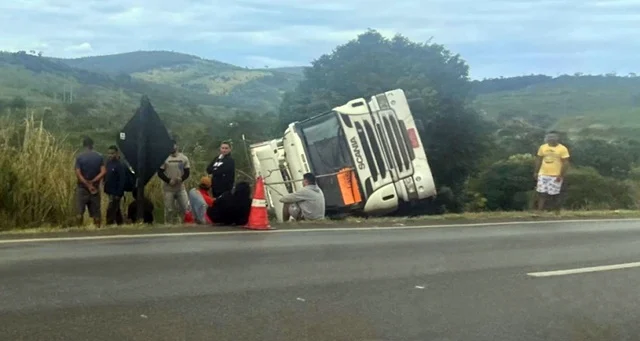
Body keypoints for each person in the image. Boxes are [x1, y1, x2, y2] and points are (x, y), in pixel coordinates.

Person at [534, 131, 570, 211]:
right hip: (543, 174)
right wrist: (536, 172)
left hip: (555, 175)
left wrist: (561, 175)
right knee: (541, 193)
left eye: (553, 137)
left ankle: (556, 211)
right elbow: (539, 159)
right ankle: (539, 211)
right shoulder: (542, 147)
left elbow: (566, 163)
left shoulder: (562, 149)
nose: (551, 139)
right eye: (549, 137)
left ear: (557, 138)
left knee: (554, 194)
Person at [74, 137, 106, 226]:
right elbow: (103, 171)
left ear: (83, 145)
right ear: (92, 145)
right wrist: (93, 182)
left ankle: (78, 230)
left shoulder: (79, 157)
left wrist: (87, 184)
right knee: (96, 212)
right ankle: (97, 230)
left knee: (79, 212)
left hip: (82, 187)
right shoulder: (99, 156)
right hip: (95, 187)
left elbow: (78, 173)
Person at [157, 140, 191, 224]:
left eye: (173, 146)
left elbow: (187, 172)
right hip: (168, 189)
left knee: (185, 207)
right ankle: (168, 225)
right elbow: (160, 172)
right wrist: (168, 180)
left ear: (176, 146)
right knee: (169, 210)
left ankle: (186, 224)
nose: (171, 147)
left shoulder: (184, 158)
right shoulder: (164, 158)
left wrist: (181, 179)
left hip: (180, 188)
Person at [104, 145, 126, 225]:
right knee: (116, 209)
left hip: (116, 191)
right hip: (109, 190)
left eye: (112, 153)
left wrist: (119, 193)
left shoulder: (119, 165)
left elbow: (122, 180)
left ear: (117, 153)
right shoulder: (108, 163)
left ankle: (109, 223)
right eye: (109, 153)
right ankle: (120, 223)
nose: (110, 155)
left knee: (111, 208)